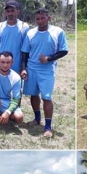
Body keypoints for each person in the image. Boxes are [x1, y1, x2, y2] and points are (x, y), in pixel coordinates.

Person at [21, 8, 69, 138]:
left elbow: (64, 50)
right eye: (37, 19)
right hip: (31, 69)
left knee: (46, 97)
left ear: (49, 18)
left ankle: (48, 127)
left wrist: (49, 58)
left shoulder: (57, 32)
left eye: (43, 18)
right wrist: (24, 68)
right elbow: (25, 52)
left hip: (47, 70)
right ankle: (37, 119)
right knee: (33, 95)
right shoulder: (31, 33)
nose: (40, 21)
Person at [0, 0, 29, 74]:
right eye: (8, 11)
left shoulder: (24, 27)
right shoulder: (0, 26)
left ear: (17, 12)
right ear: (5, 13)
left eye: (12, 11)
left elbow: (25, 49)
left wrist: (23, 66)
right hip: (1, 63)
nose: (10, 13)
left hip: (16, 64)